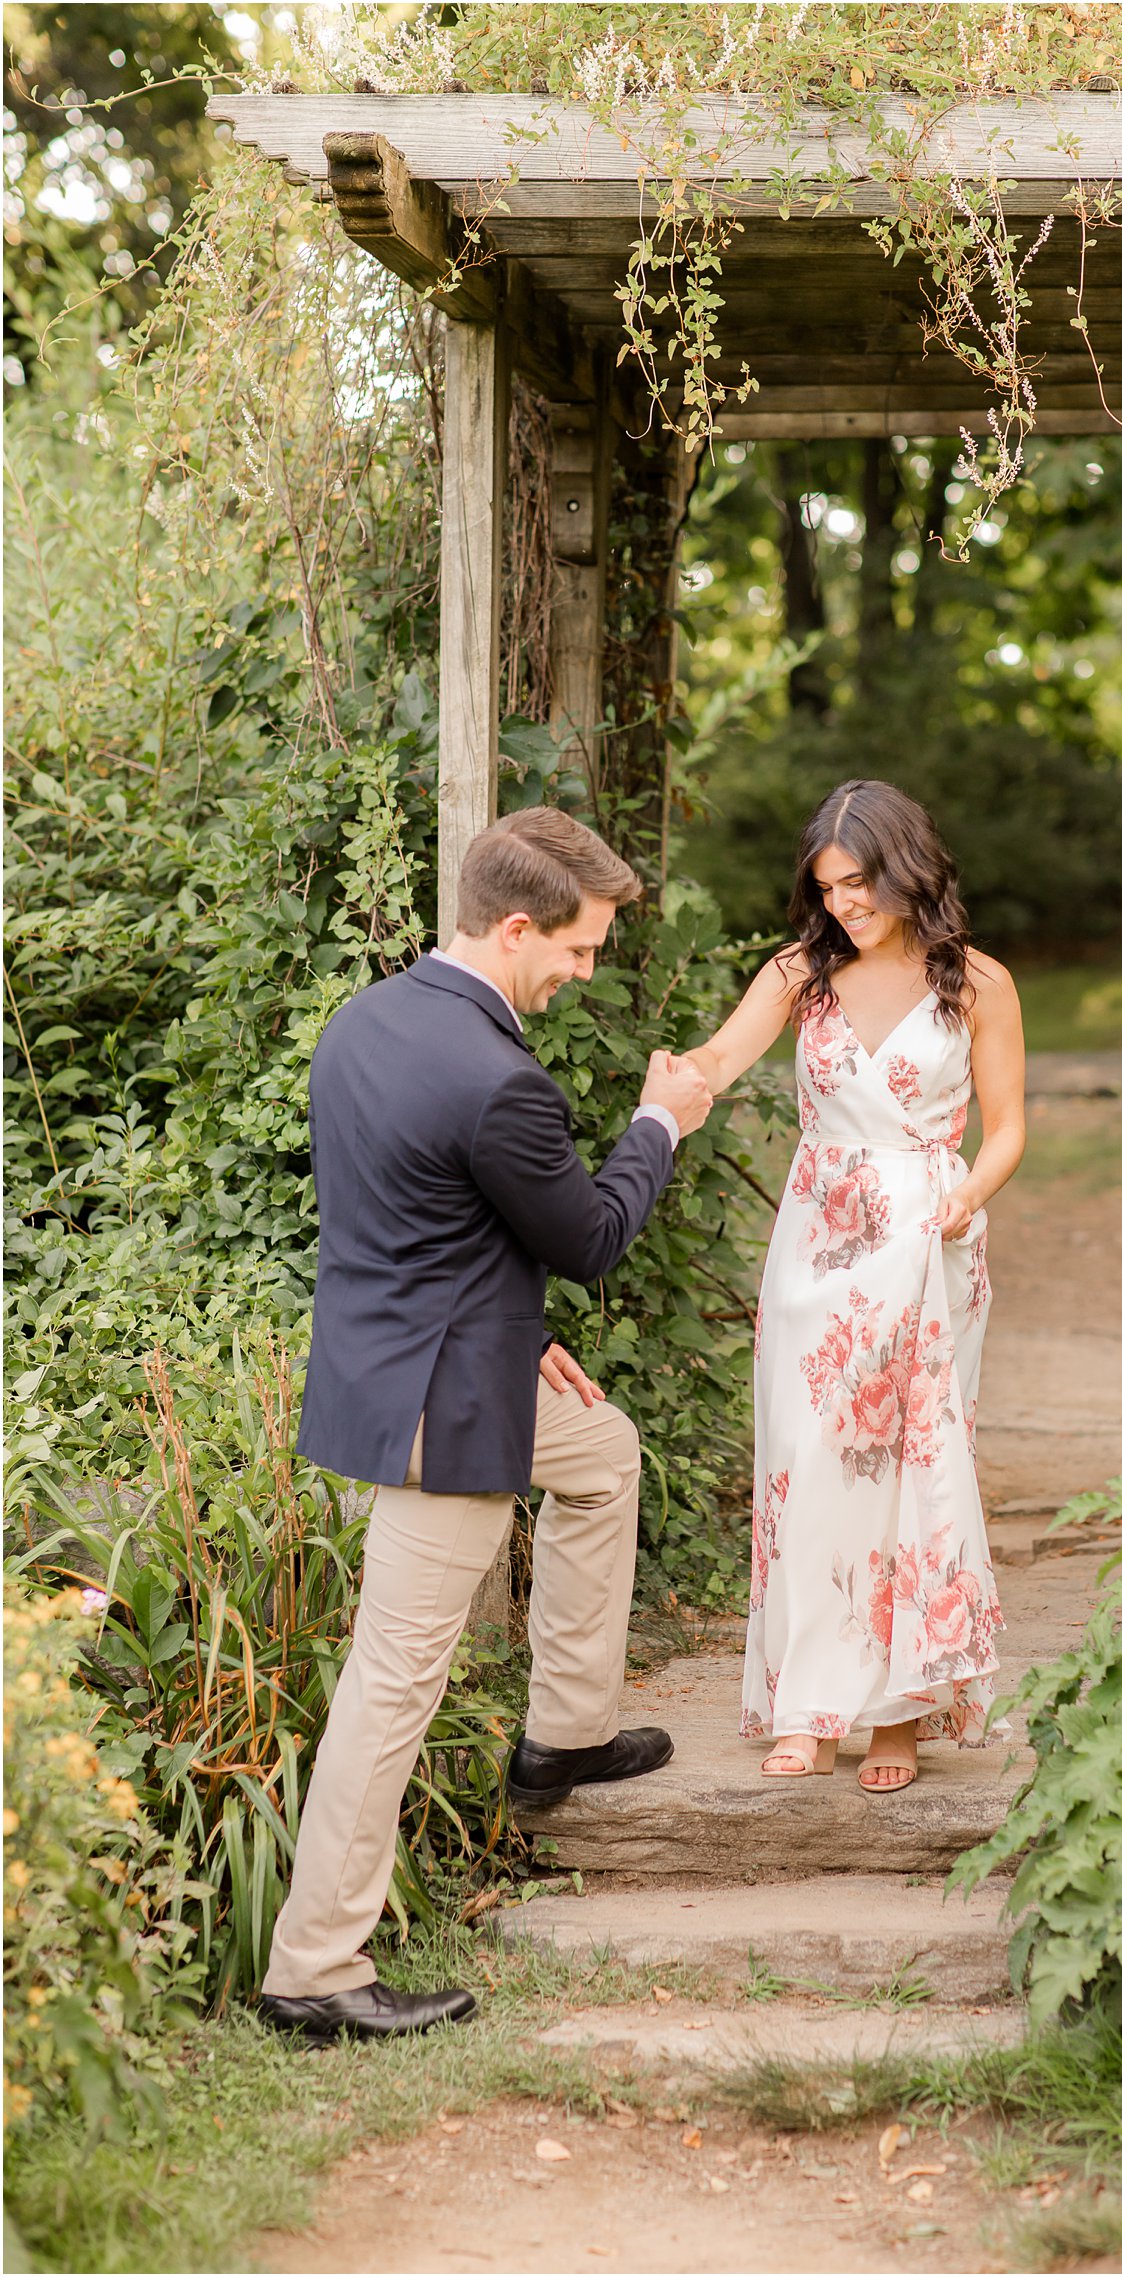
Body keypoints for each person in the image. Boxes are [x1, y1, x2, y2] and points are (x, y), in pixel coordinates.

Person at [256, 807, 711, 2042]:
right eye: (578, 950)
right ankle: (314, 1968)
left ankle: (562, 1735)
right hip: (439, 1412)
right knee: (391, 1681)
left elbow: (411, 1218)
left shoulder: (365, 1022)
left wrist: (522, 1329)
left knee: (602, 1453)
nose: (585, 972)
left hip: (405, 1364)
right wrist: (659, 1121)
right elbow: (590, 1239)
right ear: (517, 927)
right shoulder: (500, 1077)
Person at [682, 780, 1025, 1792]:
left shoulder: (977, 984)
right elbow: (722, 1055)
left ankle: (898, 1716)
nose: (843, 906)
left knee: (911, 1468)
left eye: (859, 885)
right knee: (807, 1465)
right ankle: (805, 1700)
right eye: (827, 889)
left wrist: (969, 1189)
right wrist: (678, 1084)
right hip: (820, 1241)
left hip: (928, 1237)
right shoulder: (799, 976)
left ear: (905, 867)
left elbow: (1005, 1124)